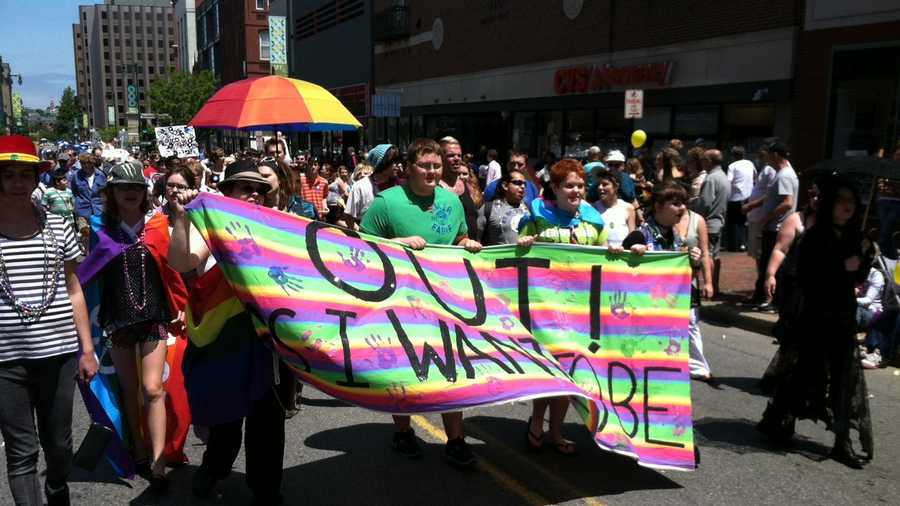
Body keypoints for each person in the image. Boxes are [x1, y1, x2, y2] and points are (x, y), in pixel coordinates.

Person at [169, 159, 290, 503]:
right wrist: (181, 217)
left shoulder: (276, 226)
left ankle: (266, 491)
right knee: (225, 423)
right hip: (223, 341)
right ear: (227, 192)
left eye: (259, 190)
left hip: (266, 341)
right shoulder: (211, 227)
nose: (253, 194)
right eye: (244, 188)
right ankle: (213, 469)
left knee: (267, 422)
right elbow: (181, 262)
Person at [360, 138, 481, 468]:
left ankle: (456, 439)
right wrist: (396, 243)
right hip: (399, 304)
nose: (432, 171)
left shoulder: (451, 201)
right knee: (405, 369)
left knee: (452, 369)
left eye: (437, 166)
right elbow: (360, 245)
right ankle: (403, 431)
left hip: (445, 303)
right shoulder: (387, 202)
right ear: (409, 168)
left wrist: (466, 241)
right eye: (425, 166)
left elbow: (458, 238)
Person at [0, 136, 98, 506]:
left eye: (24, 174)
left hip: (58, 355)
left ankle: (57, 489)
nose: (17, 183)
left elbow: (75, 289)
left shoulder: (58, 226)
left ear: (35, 178)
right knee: (21, 450)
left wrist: (87, 349)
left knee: (58, 445)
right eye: (8, 175)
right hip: (5, 360)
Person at [757, 176, 874, 469]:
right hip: (814, 315)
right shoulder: (813, 235)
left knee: (843, 379)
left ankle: (841, 441)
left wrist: (864, 255)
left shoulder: (855, 237)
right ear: (830, 204)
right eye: (841, 200)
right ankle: (781, 421)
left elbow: (858, 278)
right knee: (804, 372)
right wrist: (839, 266)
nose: (847, 206)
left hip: (843, 316)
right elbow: (803, 274)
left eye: (851, 201)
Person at [79, 160, 176, 488]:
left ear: (144, 192)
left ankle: (158, 462)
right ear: (112, 192)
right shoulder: (98, 228)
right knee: (130, 391)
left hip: (153, 317)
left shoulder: (159, 224)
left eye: (136, 187)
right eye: (124, 187)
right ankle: (137, 448)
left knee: (152, 389)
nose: (131, 192)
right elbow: (88, 279)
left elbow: (172, 269)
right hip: (118, 319)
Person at [517, 159, 607, 456]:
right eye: (569, 185)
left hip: (580, 311)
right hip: (544, 308)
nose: (576, 190)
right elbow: (514, 254)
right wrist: (525, 243)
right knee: (548, 371)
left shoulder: (594, 220)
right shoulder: (537, 215)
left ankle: (556, 431)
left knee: (571, 373)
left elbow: (607, 258)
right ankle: (537, 423)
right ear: (554, 188)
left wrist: (622, 250)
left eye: (580, 185)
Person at [629, 181, 716, 385]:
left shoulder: (675, 236)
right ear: (659, 206)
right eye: (676, 204)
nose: (683, 208)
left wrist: (691, 260)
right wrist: (633, 253)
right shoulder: (641, 234)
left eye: (684, 203)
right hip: (646, 314)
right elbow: (622, 274)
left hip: (668, 311)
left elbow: (678, 271)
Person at [758, 181, 820, 394]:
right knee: (792, 332)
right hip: (794, 285)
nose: (817, 200)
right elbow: (780, 249)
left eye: (822, 196)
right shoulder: (797, 219)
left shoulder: (836, 224)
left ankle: (808, 379)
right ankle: (786, 377)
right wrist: (770, 275)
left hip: (821, 288)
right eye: (814, 195)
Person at [751, 142, 799, 312]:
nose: (766, 158)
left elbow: (787, 202)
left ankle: (772, 300)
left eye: (769, 154)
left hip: (776, 228)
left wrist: (767, 217)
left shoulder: (785, 175)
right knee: (768, 265)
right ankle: (766, 298)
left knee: (772, 267)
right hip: (774, 227)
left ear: (776, 155)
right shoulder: (783, 173)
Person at [693, 149, 730, 296]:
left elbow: (705, 203)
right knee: (715, 255)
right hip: (719, 221)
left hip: (709, 223)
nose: (701, 162)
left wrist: (694, 214)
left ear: (708, 161)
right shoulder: (723, 176)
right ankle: (715, 285)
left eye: (703, 159)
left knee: (707, 256)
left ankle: (711, 287)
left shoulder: (711, 178)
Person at [340, 144, 400, 229]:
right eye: (392, 161)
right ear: (381, 163)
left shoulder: (399, 186)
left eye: (397, 161)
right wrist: (361, 234)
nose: (397, 165)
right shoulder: (360, 187)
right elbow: (349, 217)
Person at [439, 137, 480, 241]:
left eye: (459, 155)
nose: (457, 158)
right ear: (440, 158)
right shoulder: (435, 187)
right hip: (449, 251)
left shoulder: (464, 184)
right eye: (451, 155)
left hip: (471, 249)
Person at [483, 166, 531, 246]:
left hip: (526, 258)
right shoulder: (488, 209)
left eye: (524, 184)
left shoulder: (529, 209)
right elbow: (476, 241)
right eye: (517, 183)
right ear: (505, 185)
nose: (522, 186)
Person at [591, 169, 635, 252]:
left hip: (623, 257)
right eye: (598, 184)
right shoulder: (593, 208)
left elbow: (632, 237)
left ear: (616, 186)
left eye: (605, 184)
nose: (600, 188)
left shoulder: (629, 208)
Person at [726, 146, 755, 251]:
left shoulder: (732, 166)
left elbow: (728, 181)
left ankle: (734, 245)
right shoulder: (750, 163)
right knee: (744, 222)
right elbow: (755, 176)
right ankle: (744, 244)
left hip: (735, 197)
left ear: (733, 155)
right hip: (749, 197)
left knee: (734, 222)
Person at [42, 169, 77, 235]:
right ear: (57, 182)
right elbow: (43, 205)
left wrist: (71, 209)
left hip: (69, 221)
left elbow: (73, 203)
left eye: (66, 180)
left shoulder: (69, 191)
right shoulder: (49, 192)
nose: (66, 182)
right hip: (56, 222)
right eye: (64, 180)